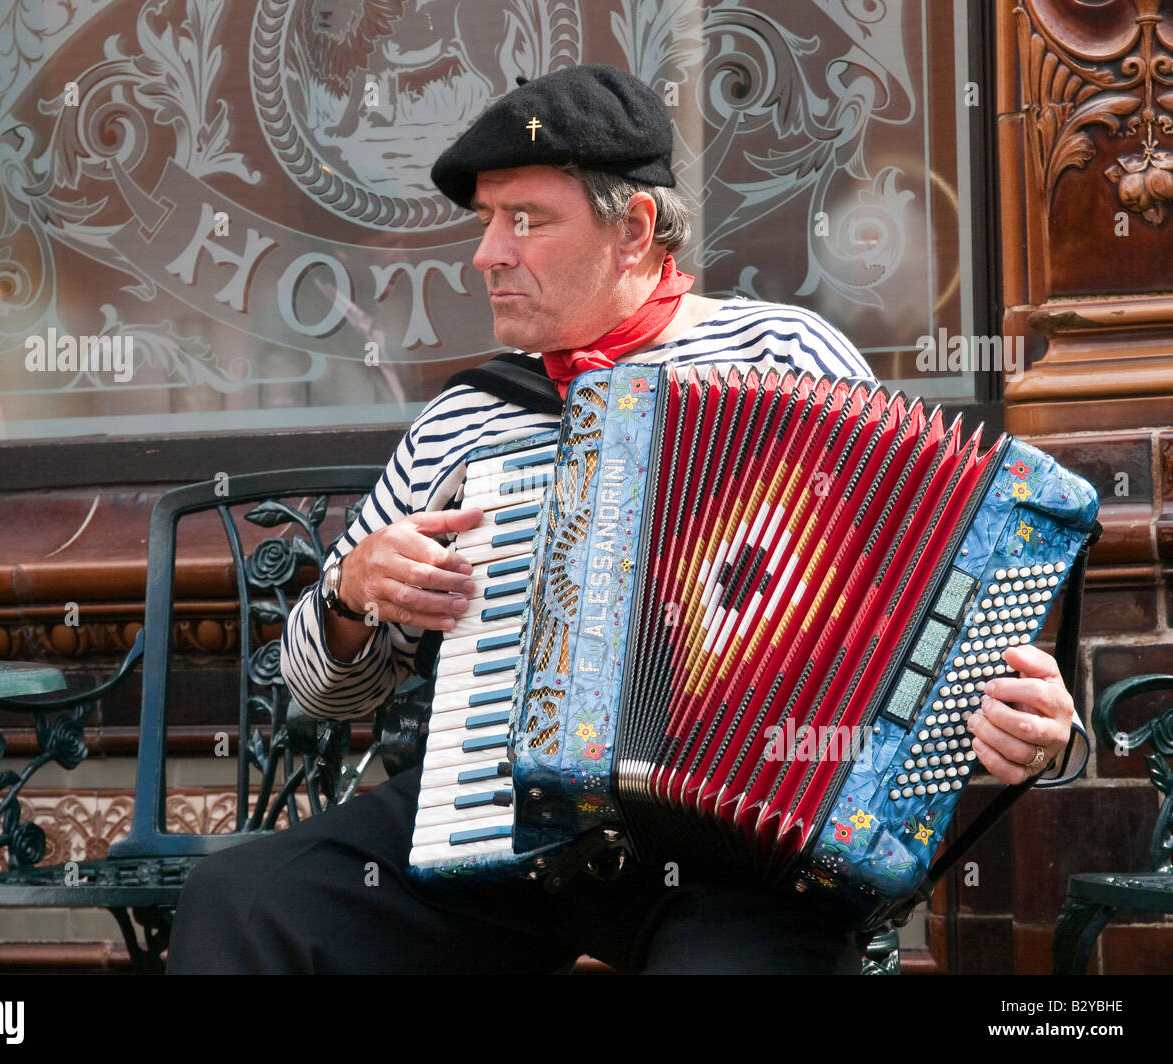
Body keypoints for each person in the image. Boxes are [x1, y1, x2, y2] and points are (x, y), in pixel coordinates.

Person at [166, 65, 1085, 975]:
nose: (487, 252)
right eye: (486, 221)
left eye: (524, 220)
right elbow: (320, 692)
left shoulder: (786, 355)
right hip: (495, 827)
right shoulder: (468, 419)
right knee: (242, 902)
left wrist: (1037, 727)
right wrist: (352, 597)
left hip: (739, 860)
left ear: (634, 229)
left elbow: (920, 606)